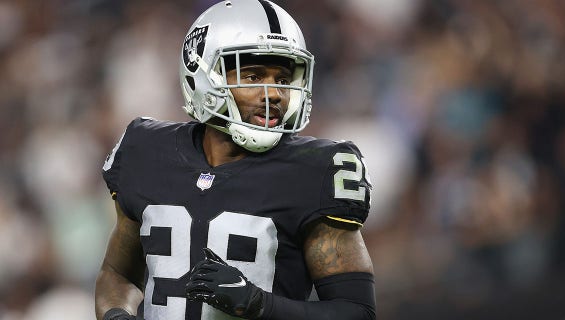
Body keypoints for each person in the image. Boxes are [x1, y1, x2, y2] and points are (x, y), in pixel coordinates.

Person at [94, 0, 376, 319]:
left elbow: (357, 312)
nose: (273, 94)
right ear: (202, 74)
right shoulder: (146, 150)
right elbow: (116, 274)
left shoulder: (315, 170)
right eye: (254, 76)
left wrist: (258, 304)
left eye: (283, 80)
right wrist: (116, 315)